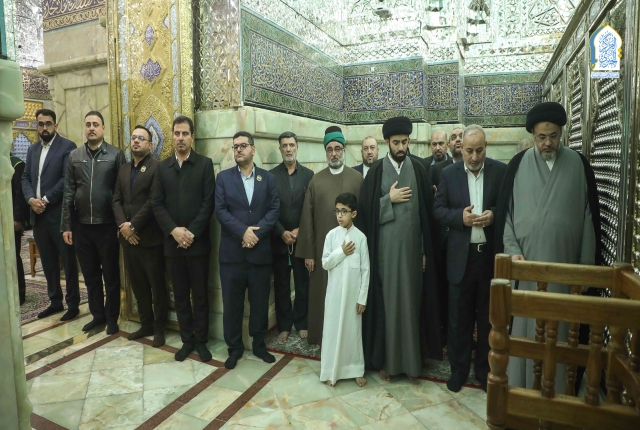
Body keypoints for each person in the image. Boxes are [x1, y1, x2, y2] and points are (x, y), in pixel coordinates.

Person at [494, 101, 602, 394]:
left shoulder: (579, 164)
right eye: (541, 137)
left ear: (561, 133)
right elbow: (505, 216)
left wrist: (585, 271)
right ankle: (524, 395)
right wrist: (512, 250)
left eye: (553, 136)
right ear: (532, 135)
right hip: (527, 270)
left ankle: (559, 399)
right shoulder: (517, 165)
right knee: (527, 334)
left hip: (565, 274)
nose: (547, 143)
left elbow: (589, 219)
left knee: (562, 336)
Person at [358, 116, 442, 381]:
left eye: (405, 142)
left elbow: (427, 217)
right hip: (385, 254)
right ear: (387, 142)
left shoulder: (418, 169)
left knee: (412, 304)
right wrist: (388, 200)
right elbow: (365, 216)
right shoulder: (375, 173)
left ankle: (413, 363)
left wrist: (425, 250)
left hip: (413, 253)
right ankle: (389, 363)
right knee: (388, 306)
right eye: (396, 143)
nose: (401, 147)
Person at [433, 125, 507, 392]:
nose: (474, 157)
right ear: (460, 149)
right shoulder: (448, 174)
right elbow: (437, 209)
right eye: (469, 151)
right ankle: (459, 370)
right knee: (459, 320)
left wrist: (494, 214)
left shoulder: (500, 171)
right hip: (460, 260)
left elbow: (508, 206)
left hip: (488, 258)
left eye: (479, 150)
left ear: (486, 147)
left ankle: (484, 371)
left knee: (487, 319)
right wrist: (460, 218)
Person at [215, 131, 280, 369]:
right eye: (235, 147)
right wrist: (243, 232)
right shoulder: (223, 178)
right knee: (232, 305)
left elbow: (274, 209)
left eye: (243, 145)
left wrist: (256, 235)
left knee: (260, 304)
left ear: (253, 149)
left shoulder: (267, 178)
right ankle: (234, 349)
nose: (238, 150)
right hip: (232, 256)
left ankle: (259, 345)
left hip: (259, 255)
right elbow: (220, 211)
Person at [153, 116, 215, 362]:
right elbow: (157, 204)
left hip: (197, 245)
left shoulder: (204, 165)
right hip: (173, 246)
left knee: (200, 296)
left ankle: (201, 341)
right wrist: (174, 231)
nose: (180, 138)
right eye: (177, 133)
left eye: (185, 134)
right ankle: (187, 340)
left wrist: (190, 233)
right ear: (172, 136)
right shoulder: (162, 168)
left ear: (192, 137)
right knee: (180, 297)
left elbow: (208, 203)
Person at [296, 126, 363, 346]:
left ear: (344, 150)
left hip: (351, 250)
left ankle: (347, 342)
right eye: (329, 149)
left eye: (337, 149)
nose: (334, 153)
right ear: (325, 152)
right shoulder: (316, 181)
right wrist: (309, 253)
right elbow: (307, 218)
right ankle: (321, 337)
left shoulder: (357, 179)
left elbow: (363, 216)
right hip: (322, 253)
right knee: (323, 294)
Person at [62, 111, 124, 333]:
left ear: (103, 128)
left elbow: (122, 192)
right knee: (90, 275)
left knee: (111, 275)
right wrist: (66, 226)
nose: (91, 128)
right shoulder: (74, 156)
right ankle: (98, 315)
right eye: (88, 124)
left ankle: (112, 317)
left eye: (95, 124)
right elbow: (68, 192)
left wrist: (121, 223)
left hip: (107, 225)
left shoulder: (115, 155)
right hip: (82, 227)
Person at [22, 109, 80, 320]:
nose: (44, 128)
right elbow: (25, 178)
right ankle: (55, 301)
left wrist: (44, 200)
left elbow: (66, 180)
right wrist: (31, 199)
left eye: (48, 124)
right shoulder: (32, 149)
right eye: (41, 124)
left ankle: (73, 304)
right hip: (38, 216)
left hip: (59, 215)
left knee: (68, 261)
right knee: (48, 262)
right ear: (37, 126)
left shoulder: (67, 147)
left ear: (55, 125)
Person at [113, 125, 168, 347]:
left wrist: (133, 226)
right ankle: (146, 324)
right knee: (138, 285)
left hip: (150, 239)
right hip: (128, 240)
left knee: (157, 286)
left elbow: (153, 201)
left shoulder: (157, 168)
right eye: (134, 137)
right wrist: (123, 227)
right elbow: (116, 200)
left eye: (141, 138)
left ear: (150, 145)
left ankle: (159, 328)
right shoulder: (123, 169)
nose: (136, 141)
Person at [320, 192, 370, 387]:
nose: (339, 215)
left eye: (344, 211)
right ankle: (330, 371)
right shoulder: (331, 236)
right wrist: (341, 252)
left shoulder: (361, 238)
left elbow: (365, 270)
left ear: (354, 213)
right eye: (337, 211)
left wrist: (362, 298)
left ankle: (356, 369)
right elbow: (325, 263)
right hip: (334, 294)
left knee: (352, 333)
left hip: (352, 296)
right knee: (332, 332)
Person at [270, 132, 314, 342]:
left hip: (301, 239)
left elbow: (311, 208)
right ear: (280, 149)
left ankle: (302, 323)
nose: (288, 149)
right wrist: (281, 232)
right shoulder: (271, 176)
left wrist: (299, 230)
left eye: (291, 145)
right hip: (279, 240)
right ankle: (285, 325)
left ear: (297, 147)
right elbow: (269, 208)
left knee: (302, 283)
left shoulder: (309, 175)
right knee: (281, 285)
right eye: (284, 146)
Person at [11, 148, 29, 305]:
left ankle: (19, 293)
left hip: (11, 221)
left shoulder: (16, 164)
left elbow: (20, 194)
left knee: (13, 256)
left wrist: (17, 218)